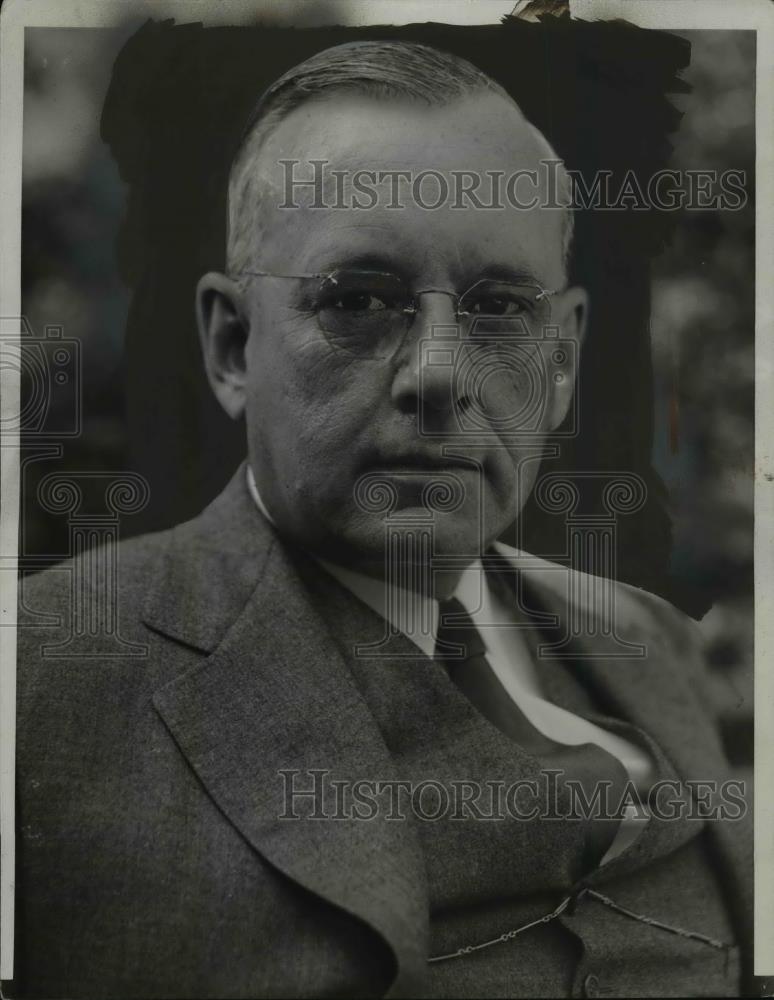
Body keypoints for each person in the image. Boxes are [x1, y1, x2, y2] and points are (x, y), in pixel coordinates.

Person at [15, 41, 751, 998]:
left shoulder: (651, 644)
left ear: (561, 359)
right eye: (358, 301)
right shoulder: (40, 688)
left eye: (497, 310)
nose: (439, 373)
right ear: (233, 345)